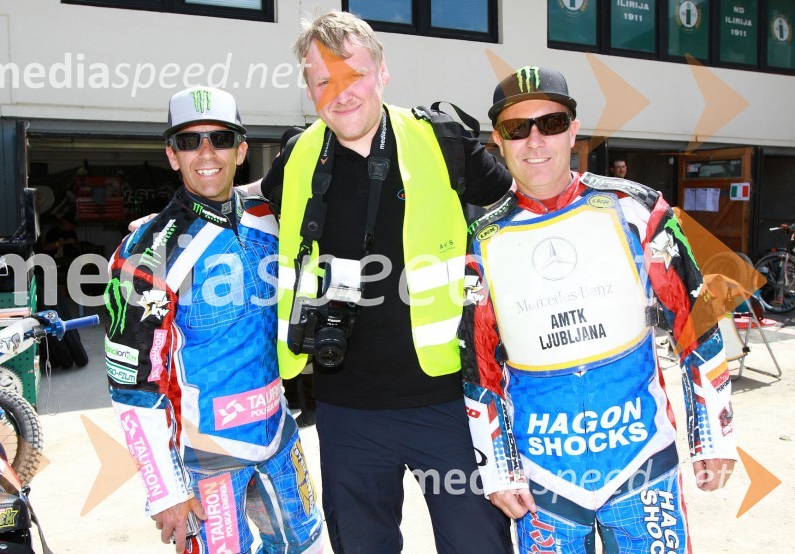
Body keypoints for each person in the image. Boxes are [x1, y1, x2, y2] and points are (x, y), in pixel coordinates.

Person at [258, 10, 514, 553]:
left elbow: (526, 213)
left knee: (478, 544)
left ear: (382, 72)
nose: (340, 93)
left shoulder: (446, 142)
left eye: (354, 75)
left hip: (449, 402)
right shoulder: (294, 160)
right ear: (308, 88)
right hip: (345, 408)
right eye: (323, 80)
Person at [462, 66, 737, 553]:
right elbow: (479, 365)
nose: (534, 141)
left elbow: (697, 320)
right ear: (498, 142)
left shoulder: (637, 208)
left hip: (642, 461)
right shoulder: (482, 239)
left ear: (572, 130)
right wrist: (498, 469)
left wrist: (712, 436)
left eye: (549, 123)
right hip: (544, 477)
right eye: (515, 128)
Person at [103, 86, 323, 554]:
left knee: (303, 546)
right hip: (206, 459)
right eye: (189, 141)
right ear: (171, 155)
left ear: (241, 150)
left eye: (220, 139)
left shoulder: (272, 218)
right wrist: (166, 491)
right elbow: (132, 386)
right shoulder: (147, 253)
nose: (206, 153)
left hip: (279, 435)